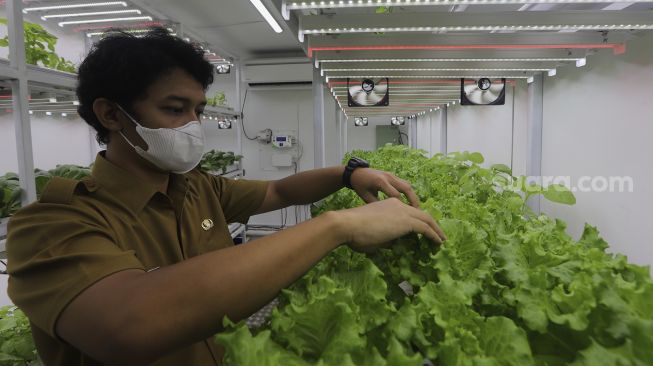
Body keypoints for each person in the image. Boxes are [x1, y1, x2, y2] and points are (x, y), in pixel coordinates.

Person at [6, 28, 445, 366]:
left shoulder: (198, 188)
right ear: (111, 114)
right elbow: (129, 325)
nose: (193, 125)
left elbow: (279, 189)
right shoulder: (50, 225)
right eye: (175, 109)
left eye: (197, 110)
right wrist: (338, 225)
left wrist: (350, 173)